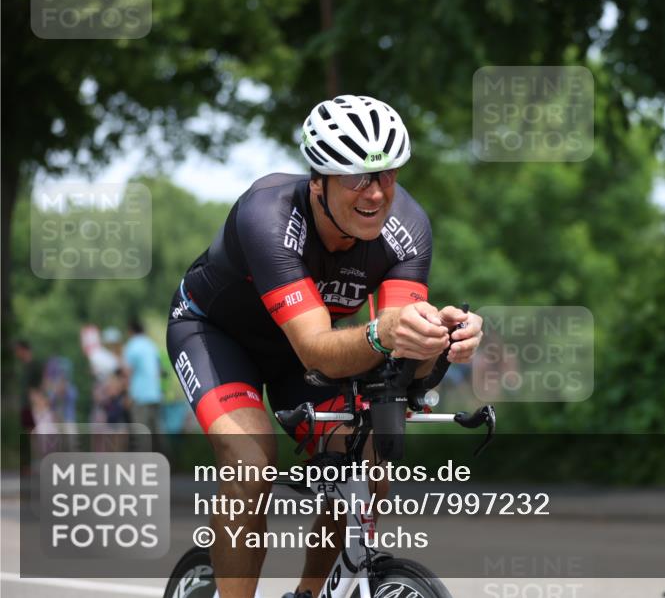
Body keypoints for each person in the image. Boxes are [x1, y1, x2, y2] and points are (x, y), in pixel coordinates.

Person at [166, 95, 484, 598]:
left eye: (387, 175)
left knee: (366, 463)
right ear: (317, 182)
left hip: (304, 351)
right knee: (251, 463)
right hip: (217, 335)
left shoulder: (410, 230)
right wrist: (385, 332)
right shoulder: (268, 215)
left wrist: (441, 341)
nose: (376, 194)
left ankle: (310, 594)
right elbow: (320, 347)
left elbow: (400, 355)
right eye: (356, 177)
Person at [123, 318, 163, 434]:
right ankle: (165, 453)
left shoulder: (132, 346)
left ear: (131, 331)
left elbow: (128, 372)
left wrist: (128, 395)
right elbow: (159, 370)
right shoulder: (151, 345)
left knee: (142, 435)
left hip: (140, 396)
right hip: (155, 394)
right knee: (157, 434)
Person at [13, 340, 43, 432]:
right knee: (30, 432)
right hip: (25, 405)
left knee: (38, 432)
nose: (16, 353)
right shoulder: (24, 367)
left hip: (35, 405)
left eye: (18, 350)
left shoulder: (35, 365)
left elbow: (42, 385)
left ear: (24, 350)